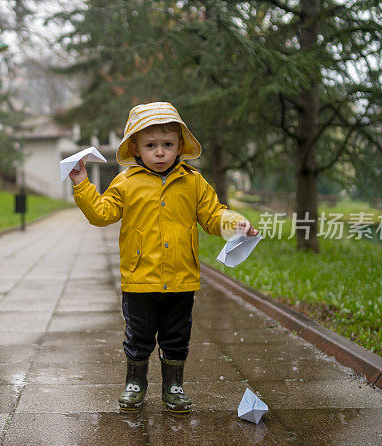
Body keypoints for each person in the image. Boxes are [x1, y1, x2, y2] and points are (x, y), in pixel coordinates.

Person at [69, 101, 258, 413]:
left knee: (176, 336)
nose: (159, 153)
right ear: (136, 148)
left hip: (182, 278)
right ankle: (135, 382)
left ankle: (173, 384)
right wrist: (82, 184)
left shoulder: (193, 181)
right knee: (138, 336)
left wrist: (233, 224)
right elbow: (102, 215)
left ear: (180, 146)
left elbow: (212, 215)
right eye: (151, 145)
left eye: (167, 145)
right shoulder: (126, 182)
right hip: (139, 279)